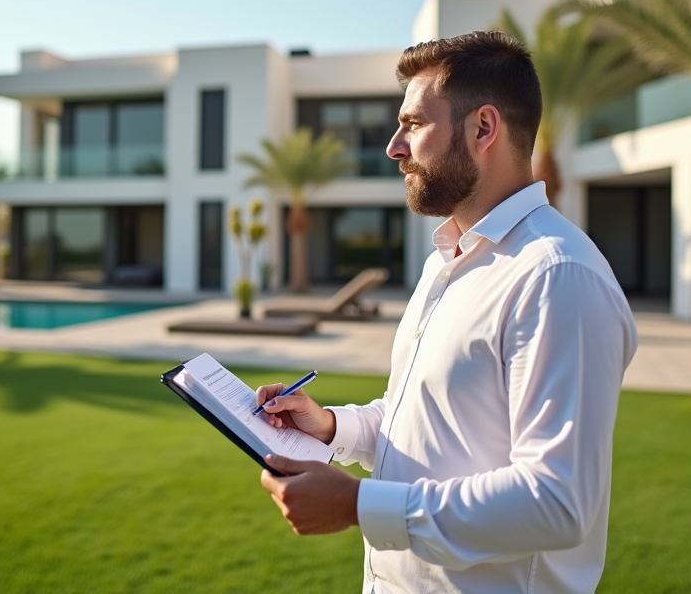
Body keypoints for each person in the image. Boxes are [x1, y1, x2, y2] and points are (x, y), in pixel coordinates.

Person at [256, 30, 637, 594]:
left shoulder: (556, 275)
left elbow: (558, 501)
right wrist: (333, 426)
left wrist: (359, 504)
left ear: (483, 127)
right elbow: (420, 411)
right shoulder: (447, 258)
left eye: (413, 124)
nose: (394, 146)